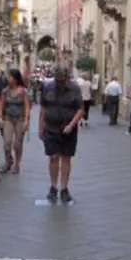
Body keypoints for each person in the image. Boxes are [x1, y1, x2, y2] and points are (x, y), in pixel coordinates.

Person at [39, 67, 83, 203]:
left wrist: (71, 125)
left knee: (66, 158)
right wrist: (40, 127)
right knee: (53, 157)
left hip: (68, 129)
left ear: (66, 79)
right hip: (51, 128)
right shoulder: (48, 87)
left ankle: (64, 188)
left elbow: (80, 109)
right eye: (57, 80)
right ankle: (53, 187)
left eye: (62, 81)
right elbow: (43, 108)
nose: (60, 83)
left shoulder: (75, 89)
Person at [0, 69, 30, 174]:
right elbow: (2, 106)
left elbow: (26, 106)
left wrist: (26, 120)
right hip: (8, 118)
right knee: (7, 142)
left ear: (15, 78)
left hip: (20, 118)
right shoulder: (5, 91)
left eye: (10, 76)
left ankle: (17, 164)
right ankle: (8, 162)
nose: (8, 78)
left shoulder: (23, 91)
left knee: (18, 143)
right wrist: (0, 118)